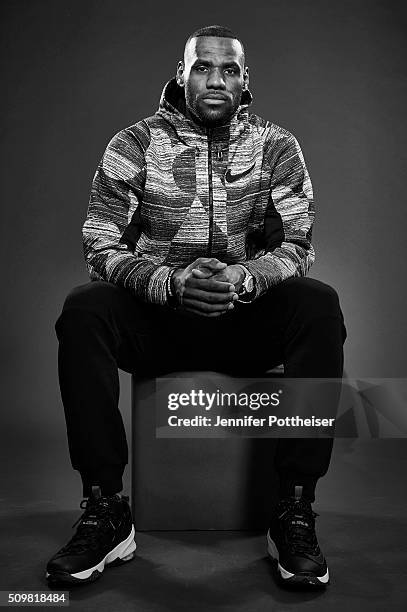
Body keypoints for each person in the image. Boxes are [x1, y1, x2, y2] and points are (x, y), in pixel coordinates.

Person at [46, 25, 347, 589]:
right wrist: (167, 282)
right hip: (159, 323)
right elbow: (99, 242)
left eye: (229, 69)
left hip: (243, 318)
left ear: (245, 80)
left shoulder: (276, 145)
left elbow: (298, 244)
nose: (216, 79)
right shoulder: (133, 144)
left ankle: (296, 507)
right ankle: (105, 506)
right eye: (203, 67)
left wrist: (245, 276)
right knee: (85, 309)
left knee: (319, 305)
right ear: (182, 74)